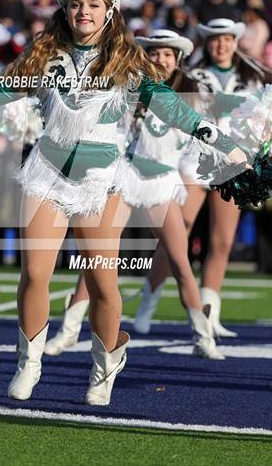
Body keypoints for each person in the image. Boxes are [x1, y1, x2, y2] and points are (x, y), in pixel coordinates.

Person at [0, 0, 248, 405]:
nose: (84, 12)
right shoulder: (44, 55)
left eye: (93, 4)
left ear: (108, 11)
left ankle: (104, 366)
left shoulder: (127, 63)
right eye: (76, 4)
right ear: (65, 10)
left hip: (101, 181)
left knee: (100, 280)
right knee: (35, 272)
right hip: (47, 172)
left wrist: (217, 137)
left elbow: (167, 104)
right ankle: (29, 360)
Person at [45, 29, 226, 360]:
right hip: (125, 177)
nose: (160, 59)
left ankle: (202, 336)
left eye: (167, 54)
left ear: (178, 60)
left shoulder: (193, 95)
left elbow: (200, 142)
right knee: (97, 256)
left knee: (180, 262)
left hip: (162, 184)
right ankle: (68, 331)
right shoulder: (129, 83)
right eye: (155, 53)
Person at [178, 18, 264, 337]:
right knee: (178, 231)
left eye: (226, 39)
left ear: (234, 41)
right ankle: (159, 297)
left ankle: (209, 313)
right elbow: (191, 113)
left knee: (223, 240)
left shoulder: (251, 76)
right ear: (207, 43)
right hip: (195, 159)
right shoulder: (192, 74)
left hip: (232, 163)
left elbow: (257, 121)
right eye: (215, 39)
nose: (221, 45)